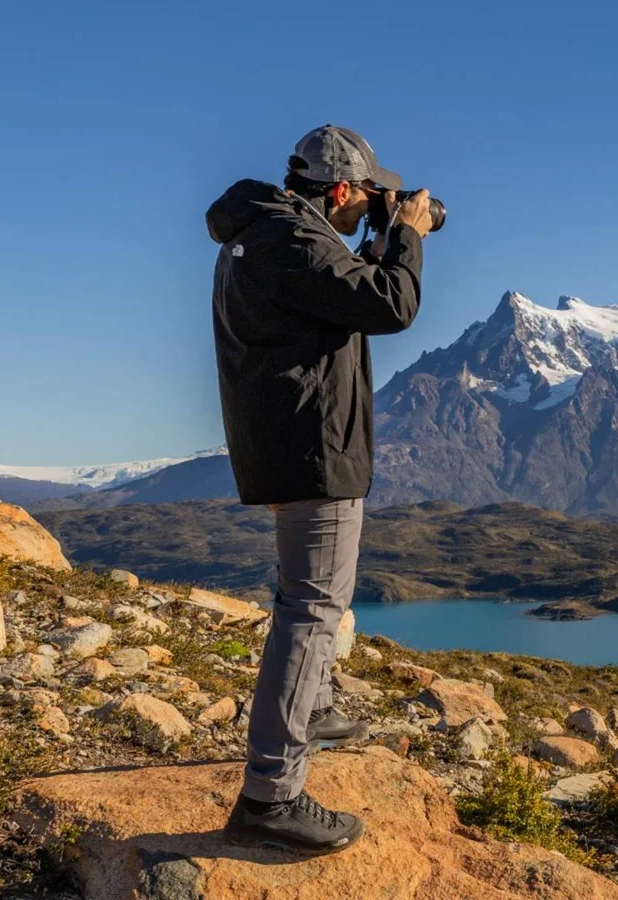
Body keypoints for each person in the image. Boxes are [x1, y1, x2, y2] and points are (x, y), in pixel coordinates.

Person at [205, 125, 434, 853]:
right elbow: (391, 306)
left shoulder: (269, 234)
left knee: (304, 598)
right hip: (313, 452)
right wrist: (408, 234)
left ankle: (316, 709)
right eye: (366, 196)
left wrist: (381, 233)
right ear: (341, 190)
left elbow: (350, 298)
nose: (371, 206)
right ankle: (272, 795)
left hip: (288, 446)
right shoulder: (293, 243)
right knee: (310, 610)